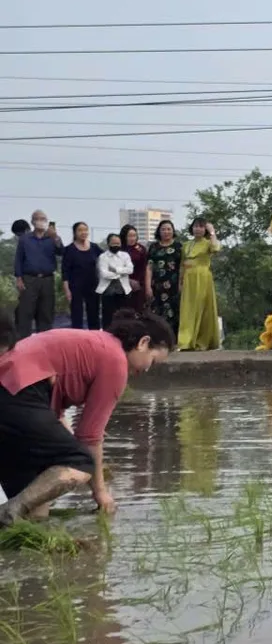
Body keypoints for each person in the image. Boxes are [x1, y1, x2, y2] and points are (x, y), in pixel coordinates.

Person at [0, 310, 174, 523]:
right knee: (81, 463)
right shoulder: (115, 361)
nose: (148, 369)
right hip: (18, 393)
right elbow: (89, 437)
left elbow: (56, 420)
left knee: (36, 516)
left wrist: (75, 446)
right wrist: (100, 493)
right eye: (153, 361)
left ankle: (13, 523)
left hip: (15, 396)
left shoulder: (96, 343)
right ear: (143, 342)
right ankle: (10, 510)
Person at [13, 210, 63, 339]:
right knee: (25, 313)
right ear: (32, 222)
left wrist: (56, 237)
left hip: (47, 279)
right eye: (38, 218)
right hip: (29, 279)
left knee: (46, 313)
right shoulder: (25, 239)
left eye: (43, 219)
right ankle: (23, 344)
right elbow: (19, 259)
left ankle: (44, 343)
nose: (41, 221)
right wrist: (19, 278)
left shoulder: (52, 238)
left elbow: (61, 252)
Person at [178, 218, 221, 351]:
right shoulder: (186, 245)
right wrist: (180, 281)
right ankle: (185, 341)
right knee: (187, 309)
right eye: (196, 226)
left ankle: (202, 341)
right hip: (188, 277)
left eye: (201, 227)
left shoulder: (208, 243)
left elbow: (216, 248)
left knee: (203, 308)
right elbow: (182, 264)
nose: (198, 229)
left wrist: (212, 231)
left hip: (202, 277)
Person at [61, 222, 101, 330]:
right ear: (75, 232)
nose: (83, 232)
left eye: (85, 230)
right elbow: (65, 271)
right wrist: (67, 289)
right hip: (75, 287)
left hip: (93, 286)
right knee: (77, 316)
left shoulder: (94, 247)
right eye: (80, 230)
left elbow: (106, 259)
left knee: (94, 315)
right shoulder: (69, 249)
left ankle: (95, 340)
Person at [147, 220, 183, 335]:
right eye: (163, 229)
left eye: (169, 229)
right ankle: (159, 340)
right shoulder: (153, 247)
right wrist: (148, 287)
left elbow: (183, 267)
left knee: (175, 312)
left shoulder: (179, 247)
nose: (166, 232)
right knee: (157, 312)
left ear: (173, 231)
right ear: (159, 231)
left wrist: (181, 285)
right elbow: (149, 267)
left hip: (174, 286)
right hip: (157, 286)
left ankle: (174, 340)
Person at [96, 233, 134, 329]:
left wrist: (116, 270)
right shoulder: (103, 257)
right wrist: (121, 272)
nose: (116, 245)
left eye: (118, 243)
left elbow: (130, 269)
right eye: (113, 243)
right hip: (108, 291)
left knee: (124, 317)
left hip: (123, 290)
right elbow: (104, 273)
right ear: (108, 244)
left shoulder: (125, 255)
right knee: (108, 317)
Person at [120, 224, 149, 312]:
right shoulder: (119, 249)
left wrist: (139, 282)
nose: (132, 238)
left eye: (134, 235)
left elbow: (145, 267)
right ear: (124, 237)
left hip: (138, 285)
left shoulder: (141, 249)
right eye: (129, 236)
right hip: (122, 285)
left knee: (138, 310)